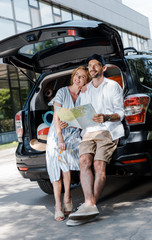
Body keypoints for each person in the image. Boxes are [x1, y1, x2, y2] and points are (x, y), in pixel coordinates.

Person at [67, 54, 124, 225]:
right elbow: (81, 114)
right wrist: (69, 120)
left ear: (103, 68)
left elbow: (120, 113)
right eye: (89, 66)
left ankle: (89, 205)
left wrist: (106, 117)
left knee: (99, 164)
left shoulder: (113, 86)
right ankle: (89, 204)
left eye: (95, 65)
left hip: (107, 130)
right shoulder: (86, 90)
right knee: (84, 161)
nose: (91, 69)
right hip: (88, 132)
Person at [46, 66, 90, 222]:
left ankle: (68, 198)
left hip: (74, 134)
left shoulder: (85, 95)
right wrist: (60, 138)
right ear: (73, 77)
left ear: (86, 80)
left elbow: (86, 119)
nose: (79, 79)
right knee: (55, 163)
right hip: (57, 133)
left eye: (83, 77)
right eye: (77, 75)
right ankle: (58, 204)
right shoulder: (63, 92)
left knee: (67, 165)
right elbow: (56, 117)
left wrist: (74, 124)